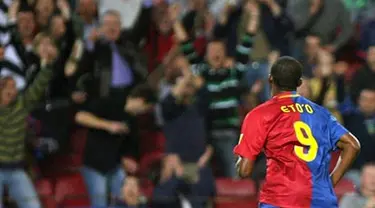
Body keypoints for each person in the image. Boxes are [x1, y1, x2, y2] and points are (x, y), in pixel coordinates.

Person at [234, 56, 361, 207]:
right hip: (320, 199)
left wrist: (240, 161)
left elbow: (244, 171)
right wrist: (329, 183)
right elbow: (353, 145)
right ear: (299, 83)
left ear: (270, 79)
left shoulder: (259, 114)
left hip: (281, 200)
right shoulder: (322, 113)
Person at [75, 83, 156, 207]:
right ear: (140, 101)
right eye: (146, 108)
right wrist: (108, 125)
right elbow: (80, 116)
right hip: (94, 165)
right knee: (100, 204)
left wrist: (128, 159)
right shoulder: (109, 103)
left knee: (124, 202)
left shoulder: (133, 121)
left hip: (115, 166)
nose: (144, 112)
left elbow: (131, 146)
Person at [0, 35, 57, 208]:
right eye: (7, 88)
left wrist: (47, 65)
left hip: (16, 169)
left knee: (34, 206)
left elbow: (39, 85)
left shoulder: (22, 104)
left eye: (14, 88)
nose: (11, 91)